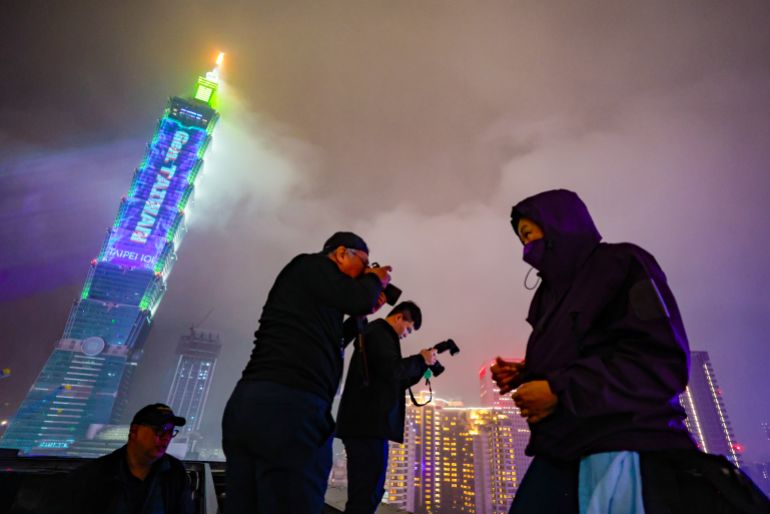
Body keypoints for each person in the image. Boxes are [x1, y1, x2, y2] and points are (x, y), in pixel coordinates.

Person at [493, 189, 770, 514]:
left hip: (624, 448)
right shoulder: (546, 298)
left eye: (529, 234)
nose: (526, 249)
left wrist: (559, 390)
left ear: (558, 225)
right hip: (559, 452)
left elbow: (659, 361)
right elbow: (583, 351)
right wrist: (528, 372)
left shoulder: (621, 264)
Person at [222, 231, 391, 514]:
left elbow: (331, 337)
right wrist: (376, 279)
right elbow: (355, 297)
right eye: (363, 264)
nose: (365, 272)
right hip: (290, 409)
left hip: (253, 408)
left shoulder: (313, 291)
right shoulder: (312, 265)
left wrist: (361, 311)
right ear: (340, 253)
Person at [335, 301, 437, 514]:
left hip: (366, 426)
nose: (406, 334)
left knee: (368, 489)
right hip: (367, 426)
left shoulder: (378, 335)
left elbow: (392, 379)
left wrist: (421, 368)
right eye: (408, 328)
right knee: (367, 491)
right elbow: (393, 370)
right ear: (399, 317)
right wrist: (420, 359)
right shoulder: (380, 333)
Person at [64, 403, 193, 514]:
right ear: (134, 431)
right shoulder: (97, 472)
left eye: (171, 432)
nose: (166, 438)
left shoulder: (175, 472)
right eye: (160, 430)